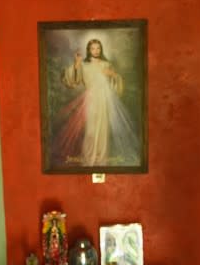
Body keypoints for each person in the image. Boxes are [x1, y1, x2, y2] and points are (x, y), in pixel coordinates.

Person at [51, 38, 141, 168]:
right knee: (91, 130)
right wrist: (76, 63)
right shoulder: (84, 64)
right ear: (89, 50)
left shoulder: (106, 64)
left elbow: (115, 83)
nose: (96, 50)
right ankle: (89, 159)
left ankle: (101, 159)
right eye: (93, 48)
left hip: (104, 99)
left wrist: (113, 75)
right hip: (91, 99)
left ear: (101, 49)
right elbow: (74, 80)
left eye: (98, 48)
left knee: (103, 129)